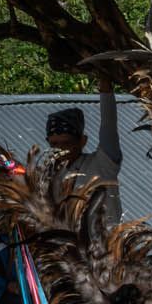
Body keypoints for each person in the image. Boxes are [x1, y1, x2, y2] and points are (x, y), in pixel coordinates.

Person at [45, 81, 122, 228]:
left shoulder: (102, 165)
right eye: (54, 144)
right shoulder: (48, 177)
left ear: (83, 141)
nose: (60, 149)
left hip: (107, 247)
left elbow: (109, 125)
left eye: (67, 143)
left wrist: (105, 88)